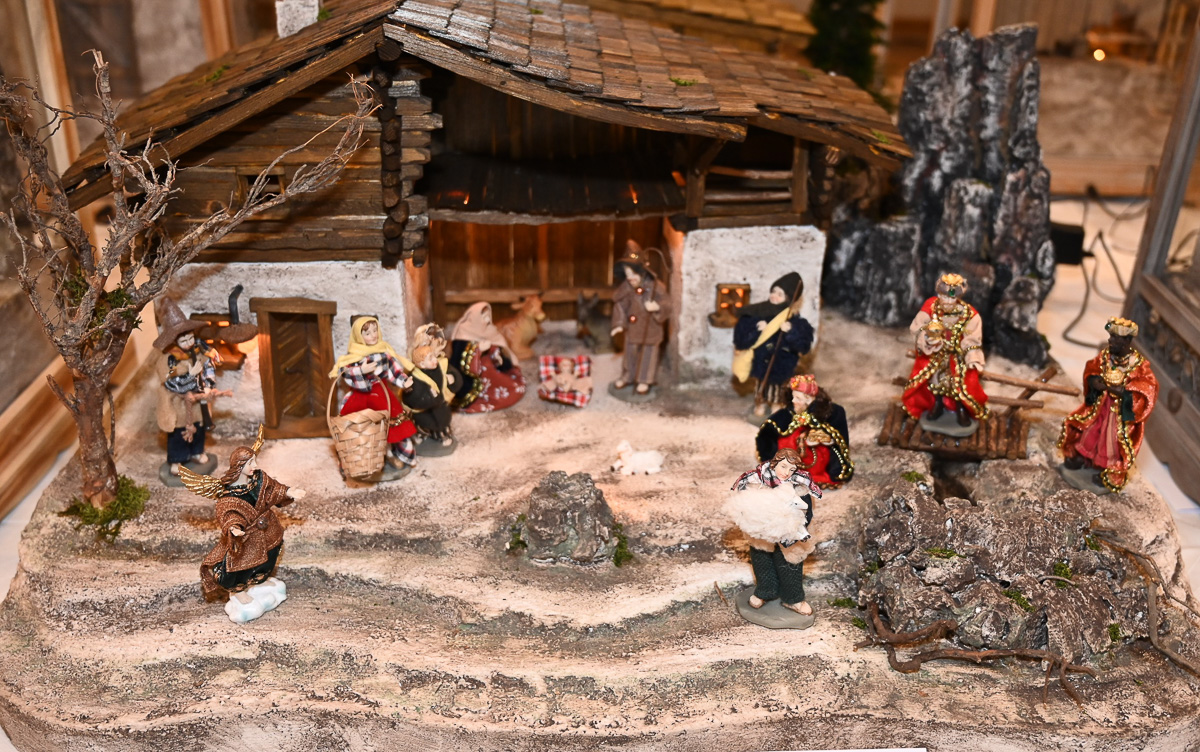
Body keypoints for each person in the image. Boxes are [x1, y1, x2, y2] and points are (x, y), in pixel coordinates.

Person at [189, 429, 306, 623]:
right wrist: (233, 527)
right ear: (240, 465)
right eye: (250, 463)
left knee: (269, 556)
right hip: (246, 537)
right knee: (240, 565)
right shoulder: (229, 494)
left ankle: (259, 582)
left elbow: (273, 489)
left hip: (269, 530)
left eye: (254, 461)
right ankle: (238, 591)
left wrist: (288, 491)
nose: (255, 466)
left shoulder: (259, 479)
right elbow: (228, 512)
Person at [1059, 317, 1159, 493]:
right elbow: (1092, 369)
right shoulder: (1106, 356)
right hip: (1101, 405)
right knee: (1090, 431)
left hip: (1118, 412)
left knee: (1111, 441)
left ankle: (1109, 470)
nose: (1110, 340)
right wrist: (1094, 381)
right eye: (1111, 336)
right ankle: (1083, 457)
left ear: (1126, 341)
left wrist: (1123, 392)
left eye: (1115, 338)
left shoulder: (1138, 366)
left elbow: (1147, 389)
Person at [727, 448, 822, 616]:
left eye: (792, 469)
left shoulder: (800, 485)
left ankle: (793, 598)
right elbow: (745, 503)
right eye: (783, 466)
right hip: (762, 532)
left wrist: (798, 529)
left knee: (790, 564)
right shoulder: (757, 481)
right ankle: (765, 591)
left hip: (789, 534)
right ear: (774, 464)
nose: (786, 472)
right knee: (762, 559)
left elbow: (807, 511)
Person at [329, 315, 418, 472]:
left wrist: (404, 381)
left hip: (381, 392)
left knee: (390, 425)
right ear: (359, 336)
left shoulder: (383, 352)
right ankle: (361, 457)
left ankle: (389, 452)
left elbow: (393, 369)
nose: (373, 335)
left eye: (375, 330)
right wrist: (361, 370)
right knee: (358, 427)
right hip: (360, 395)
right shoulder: (354, 354)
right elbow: (345, 372)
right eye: (367, 333)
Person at [902, 272, 990, 429]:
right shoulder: (931, 307)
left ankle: (960, 408)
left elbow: (973, 339)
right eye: (944, 296)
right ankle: (937, 405)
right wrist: (927, 337)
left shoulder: (969, 314)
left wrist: (972, 356)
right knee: (935, 381)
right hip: (936, 355)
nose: (948, 301)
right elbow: (917, 326)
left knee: (957, 384)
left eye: (952, 298)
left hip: (957, 357)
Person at [154, 297, 230, 477]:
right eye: (184, 340)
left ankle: (197, 451)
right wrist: (190, 375)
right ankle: (176, 460)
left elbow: (209, 366)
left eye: (190, 337)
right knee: (179, 432)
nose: (189, 342)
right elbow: (170, 383)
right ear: (174, 341)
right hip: (178, 403)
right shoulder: (168, 359)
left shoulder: (199, 349)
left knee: (199, 428)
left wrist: (208, 384)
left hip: (198, 401)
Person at [733, 272, 814, 416]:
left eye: (780, 294)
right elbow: (741, 339)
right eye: (773, 291)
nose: (774, 296)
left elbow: (804, 345)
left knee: (777, 389)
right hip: (760, 362)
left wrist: (791, 331)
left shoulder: (793, 320)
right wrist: (756, 329)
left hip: (780, 364)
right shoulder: (759, 312)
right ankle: (760, 405)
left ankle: (776, 407)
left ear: (788, 298)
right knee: (761, 386)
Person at [755, 374, 853, 489]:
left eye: (798, 398)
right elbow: (772, 427)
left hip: (816, 455)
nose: (793, 401)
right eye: (793, 397)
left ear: (808, 399)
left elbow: (837, 437)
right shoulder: (791, 412)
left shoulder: (830, 412)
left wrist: (823, 439)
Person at [610, 240, 671, 395]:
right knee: (630, 353)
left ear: (642, 271)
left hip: (650, 328)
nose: (630, 278)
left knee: (648, 355)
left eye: (633, 273)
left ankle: (644, 380)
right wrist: (619, 324)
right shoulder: (626, 287)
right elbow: (620, 304)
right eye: (627, 274)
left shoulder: (655, 286)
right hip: (632, 328)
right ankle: (627, 376)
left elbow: (667, 303)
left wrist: (657, 307)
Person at [450, 302, 526, 413]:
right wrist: (477, 350)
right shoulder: (463, 333)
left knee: (508, 384)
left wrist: (498, 356)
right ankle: (483, 397)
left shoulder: (490, 330)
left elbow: (498, 346)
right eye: (484, 317)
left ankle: (500, 390)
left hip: (491, 366)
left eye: (488, 316)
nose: (487, 320)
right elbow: (459, 358)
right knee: (486, 368)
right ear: (475, 317)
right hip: (472, 376)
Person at [405, 324, 459, 447]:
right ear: (422, 364)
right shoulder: (415, 375)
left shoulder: (441, 365)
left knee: (442, 419)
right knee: (428, 422)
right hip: (424, 411)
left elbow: (452, 374)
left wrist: (452, 378)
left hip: (440, 405)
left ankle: (442, 433)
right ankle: (425, 433)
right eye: (430, 359)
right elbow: (412, 397)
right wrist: (429, 396)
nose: (435, 360)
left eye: (434, 356)